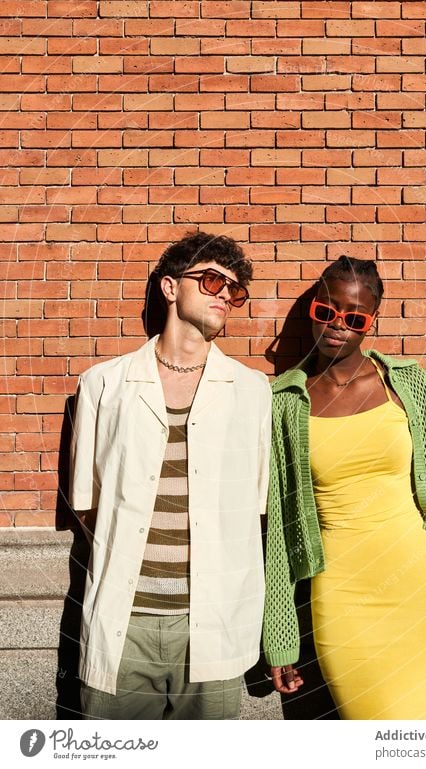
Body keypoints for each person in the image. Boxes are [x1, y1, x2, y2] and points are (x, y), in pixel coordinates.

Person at [263, 256, 426, 720]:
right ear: (313, 310)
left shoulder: (404, 383)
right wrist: (281, 634)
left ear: (371, 322)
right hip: (343, 598)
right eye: (326, 311)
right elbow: (280, 531)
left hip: (422, 588)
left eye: (354, 317)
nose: (338, 325)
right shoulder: (285, 400)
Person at [69, 232, 271, 720]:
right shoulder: (103, 385)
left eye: (234, 289)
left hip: (213, 624)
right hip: (125, 621)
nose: (225, 293)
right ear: (169, 287)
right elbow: (88, 504)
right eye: (210, 280)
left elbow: (255, 508)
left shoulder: (252, 392)